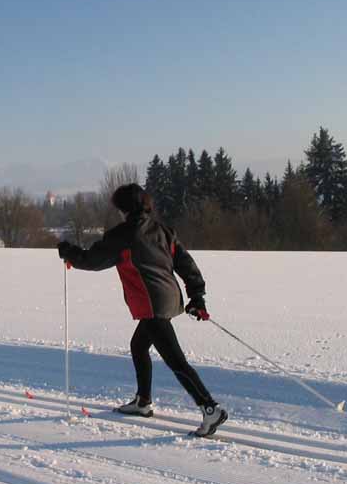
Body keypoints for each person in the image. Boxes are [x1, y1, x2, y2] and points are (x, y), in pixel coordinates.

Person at [57, 183, 227, 437]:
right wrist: (197, 297)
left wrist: (68, 251)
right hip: (167, 299)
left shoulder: (123, 234)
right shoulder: (163, 231)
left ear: (123, 208)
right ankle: (143, 401)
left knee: (175, 360)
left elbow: (92, 260)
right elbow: (187, 265)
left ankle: (209, 408)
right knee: (138, 346)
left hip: (151, 305)